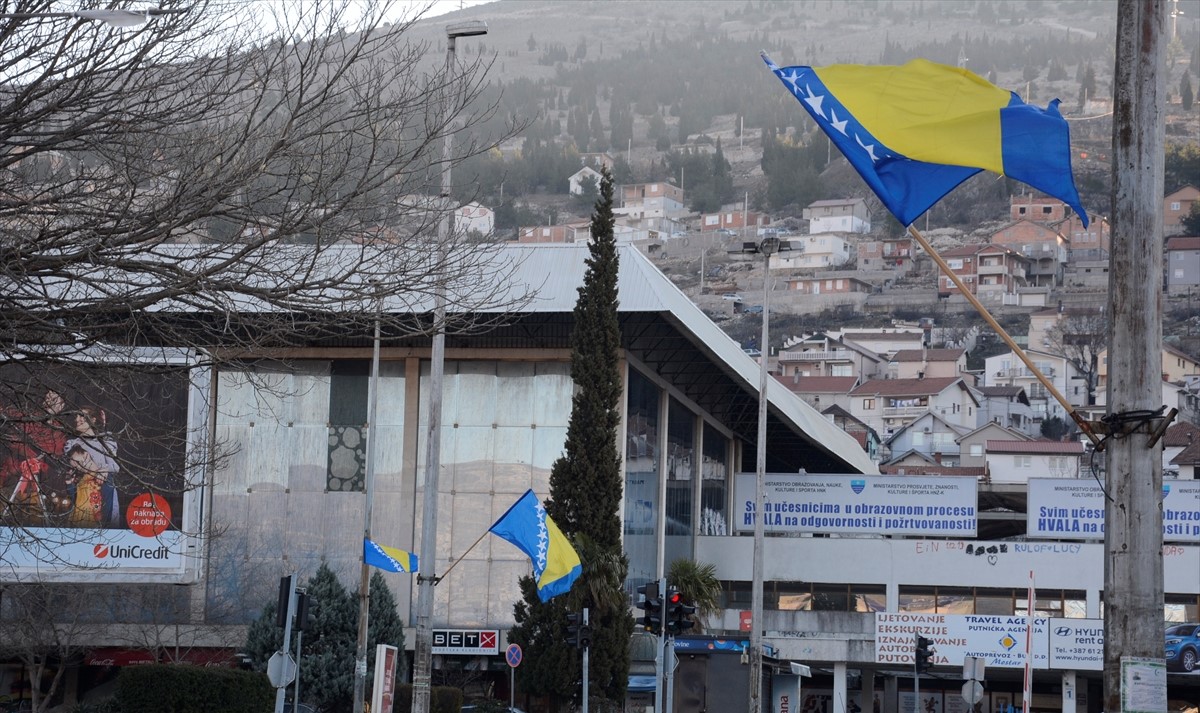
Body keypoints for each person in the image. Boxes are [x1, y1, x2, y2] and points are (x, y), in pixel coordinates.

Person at [1, 389, 69, 524]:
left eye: (55, 399)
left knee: (34, 521)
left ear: (62, 406)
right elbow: (8, 415)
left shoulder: (60, 433)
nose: (50, 402)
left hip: (40, 486)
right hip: (11, 479)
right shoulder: (30, 418)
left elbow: (56, 458)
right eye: (48, 398)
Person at [65, 406, 120, 528]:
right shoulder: (73, 444)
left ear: (93, 419)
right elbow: (71, 466)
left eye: (82, 416)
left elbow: (115, 466)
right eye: (76, 416)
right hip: (83, 495)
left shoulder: (105, 440)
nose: (77, 419)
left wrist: (104, 469)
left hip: (103, 494)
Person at [65, 444, 105, 527]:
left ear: (86, 454)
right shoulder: (83, 477)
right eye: (75, 466)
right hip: (77, 519)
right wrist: (69, 484)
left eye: (78, 462)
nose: (78, 467)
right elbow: (74, 497)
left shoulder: (102, 476)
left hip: (91, 521)